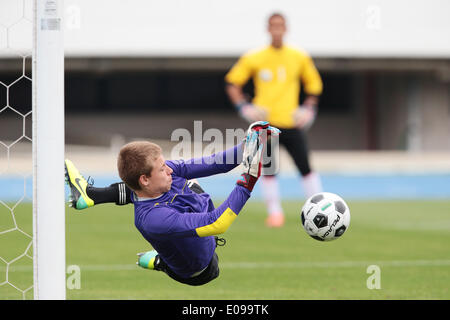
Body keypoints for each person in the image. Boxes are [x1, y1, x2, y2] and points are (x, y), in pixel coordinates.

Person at [65, 121, 280, 286]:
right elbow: (217, 224)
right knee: (189, 191)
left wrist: (250, 144)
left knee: (176, 183)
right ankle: (160, 262)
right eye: (161, 169)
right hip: (200, 269)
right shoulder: (153, 219)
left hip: (160, 204)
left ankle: (91, 195)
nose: (169, 169)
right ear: (145, 179)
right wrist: (247, 182)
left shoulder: (162, 174)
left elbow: (214, 163)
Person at [225, 12, 323, 228]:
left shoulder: (299, 56)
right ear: (268, 29)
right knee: (269, 168)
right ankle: (275, 213)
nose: (277, 29)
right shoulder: (255, 57)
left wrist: (309, 108)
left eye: (280, 25)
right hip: (267, 124)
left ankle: (319, 207)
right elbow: (232, 82)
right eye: (273, 25)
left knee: (305, 166)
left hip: (291, 122)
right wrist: (244, 107)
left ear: (285, 28)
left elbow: (314, 84)